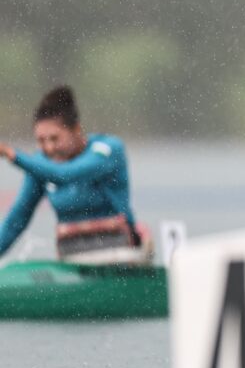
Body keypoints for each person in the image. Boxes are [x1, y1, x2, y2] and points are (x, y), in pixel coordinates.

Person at [0, 86, 144, 262]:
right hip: (72, 263)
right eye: (41, 140)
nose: (49, 148)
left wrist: (12, 155)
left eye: (54, 138)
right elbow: (16, 222)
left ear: (76, 130)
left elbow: (65, 175)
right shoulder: (40, 165)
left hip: (121, 259)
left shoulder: (108, 150)